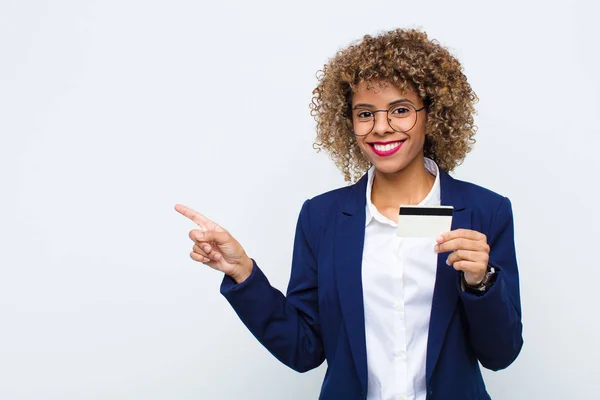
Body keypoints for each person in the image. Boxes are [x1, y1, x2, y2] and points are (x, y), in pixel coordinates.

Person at [175, 28, 523, 400]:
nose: (381, 127)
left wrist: (480, 282)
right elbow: (304, 349)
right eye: (364, 113)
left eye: (401, 110)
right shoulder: (321, 216)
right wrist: (242, 272)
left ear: (432, 114)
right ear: (349, 123)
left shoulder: (486, 211)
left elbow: (500, 354)